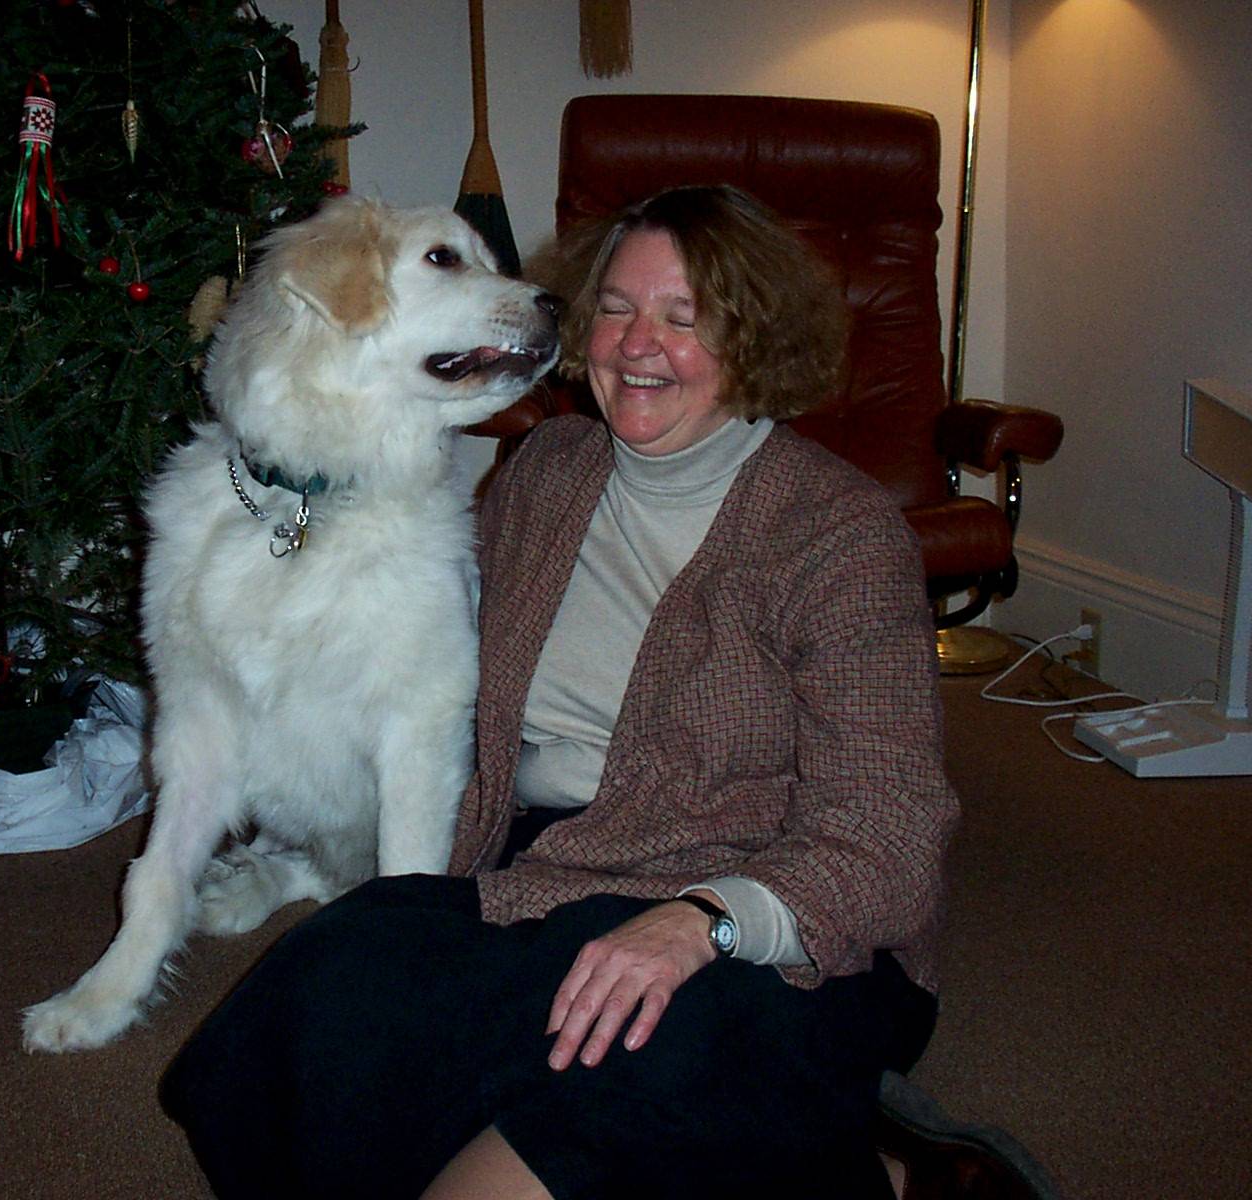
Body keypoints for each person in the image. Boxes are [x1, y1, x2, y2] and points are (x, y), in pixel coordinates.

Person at [161, 185, 959, 1200]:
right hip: (551, 870)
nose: (637, 344)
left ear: (755, 339)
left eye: (684, 318)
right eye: (615, 308)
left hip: (761, 913)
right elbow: (418, 641)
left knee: (619, 1079)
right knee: (325, 1003)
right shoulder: (549, 468)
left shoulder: (839, 535)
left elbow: (892, 833)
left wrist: (701, 921)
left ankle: (905, 1174)